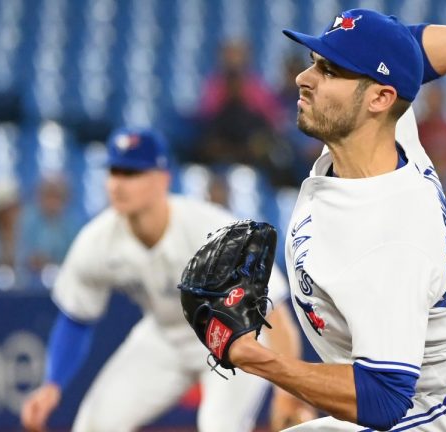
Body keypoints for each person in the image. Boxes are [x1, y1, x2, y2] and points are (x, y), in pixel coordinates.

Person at [221, 9, 446, 431]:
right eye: (313, 62)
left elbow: (382, 398)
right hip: (433, 396)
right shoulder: (378, 133)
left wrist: (260, 361)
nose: (305, 78)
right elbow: (408, 48)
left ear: (379, 98)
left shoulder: (390, 236)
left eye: (329, 70)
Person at [20, 127, 309, 432]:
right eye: (114, 172)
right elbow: (76, 318)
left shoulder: (210, 230)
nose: (118, 183)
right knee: (93, 425)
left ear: (162, 179)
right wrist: (52, 384)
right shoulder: (97, 241)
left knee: (219, 426)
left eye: (132, 173)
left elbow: (274, 312)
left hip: (232, 338)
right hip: (165, 336)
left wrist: (287, 392)